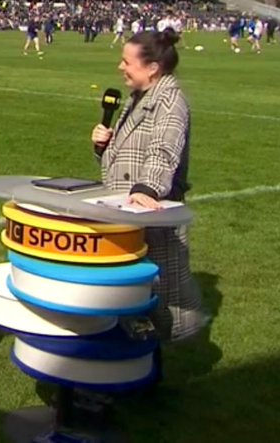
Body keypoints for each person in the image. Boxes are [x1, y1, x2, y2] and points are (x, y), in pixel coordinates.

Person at [90, 28, 205, 344]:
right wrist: (105, 146)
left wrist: (147, 188)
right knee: (138, 287)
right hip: (130, 213)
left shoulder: (169, 100)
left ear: (153, 67)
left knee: (164, 289)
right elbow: (131, 149)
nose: (120, 67)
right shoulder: (139, 97)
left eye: (126, 61)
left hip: (152, 216)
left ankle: (180, 340)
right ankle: (145, 344)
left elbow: (164, 148)